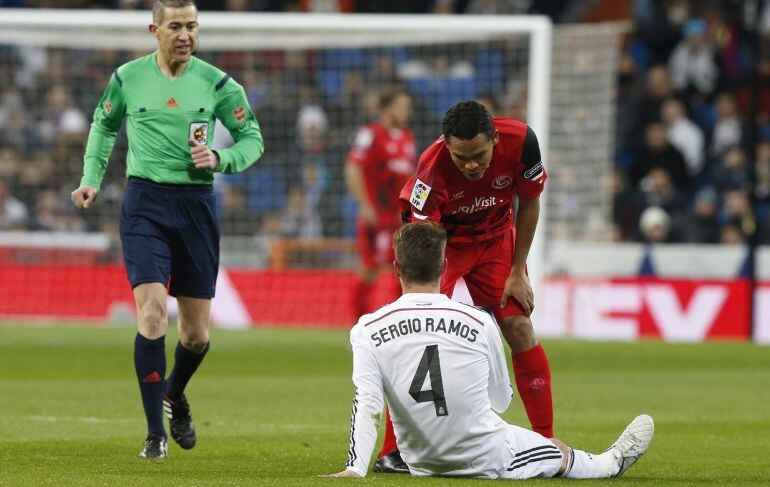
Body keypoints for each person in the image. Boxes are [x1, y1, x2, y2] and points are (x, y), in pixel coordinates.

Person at [70, 0, 264, 458]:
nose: (185, 34)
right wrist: (90, 179)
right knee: (153, 315)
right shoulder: (127, 78)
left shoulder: (218, 83)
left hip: (196, 206)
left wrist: (222, 158)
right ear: (154, 29)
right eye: (175, 26)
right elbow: (104, 126)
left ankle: (173, 393)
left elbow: (252, 138)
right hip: (144, 205)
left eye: (192, 26)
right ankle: (155, 433)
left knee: (196, 336)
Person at [323, 222, 654, 479]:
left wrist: (355, 469)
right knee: (557, 453)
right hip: (484, 457)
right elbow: (500, 399)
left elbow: (367, 404)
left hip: (419, 461)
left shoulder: (367, 328)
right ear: (444, 266)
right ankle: (609, 463)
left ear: (397, 269)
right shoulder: (478, 321)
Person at [372, 100, 552, 472]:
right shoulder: (430, 169)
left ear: (496, 138)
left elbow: (530, 203)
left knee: (519, 326)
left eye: (479, 156)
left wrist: (518, 270)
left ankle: (545, 442)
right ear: (448, 147)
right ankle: (394, 452)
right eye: (461, 158)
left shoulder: (522, 141)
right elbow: (420, 238)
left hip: (497, 241)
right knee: (418, 339)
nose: (471, 165)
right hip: (444, 245)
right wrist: (424, 293)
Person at [345, 88, 416, 317]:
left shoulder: (407, 137)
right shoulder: (370, 134)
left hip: (398, 217)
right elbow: (353, 167)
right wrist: (364, 205)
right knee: (369, 271)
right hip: (375, 217)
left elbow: (410, 176)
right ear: (386, 109)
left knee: (405, 271)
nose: (407, 111)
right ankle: (357, 329)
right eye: (402, 106)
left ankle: (396, 326)